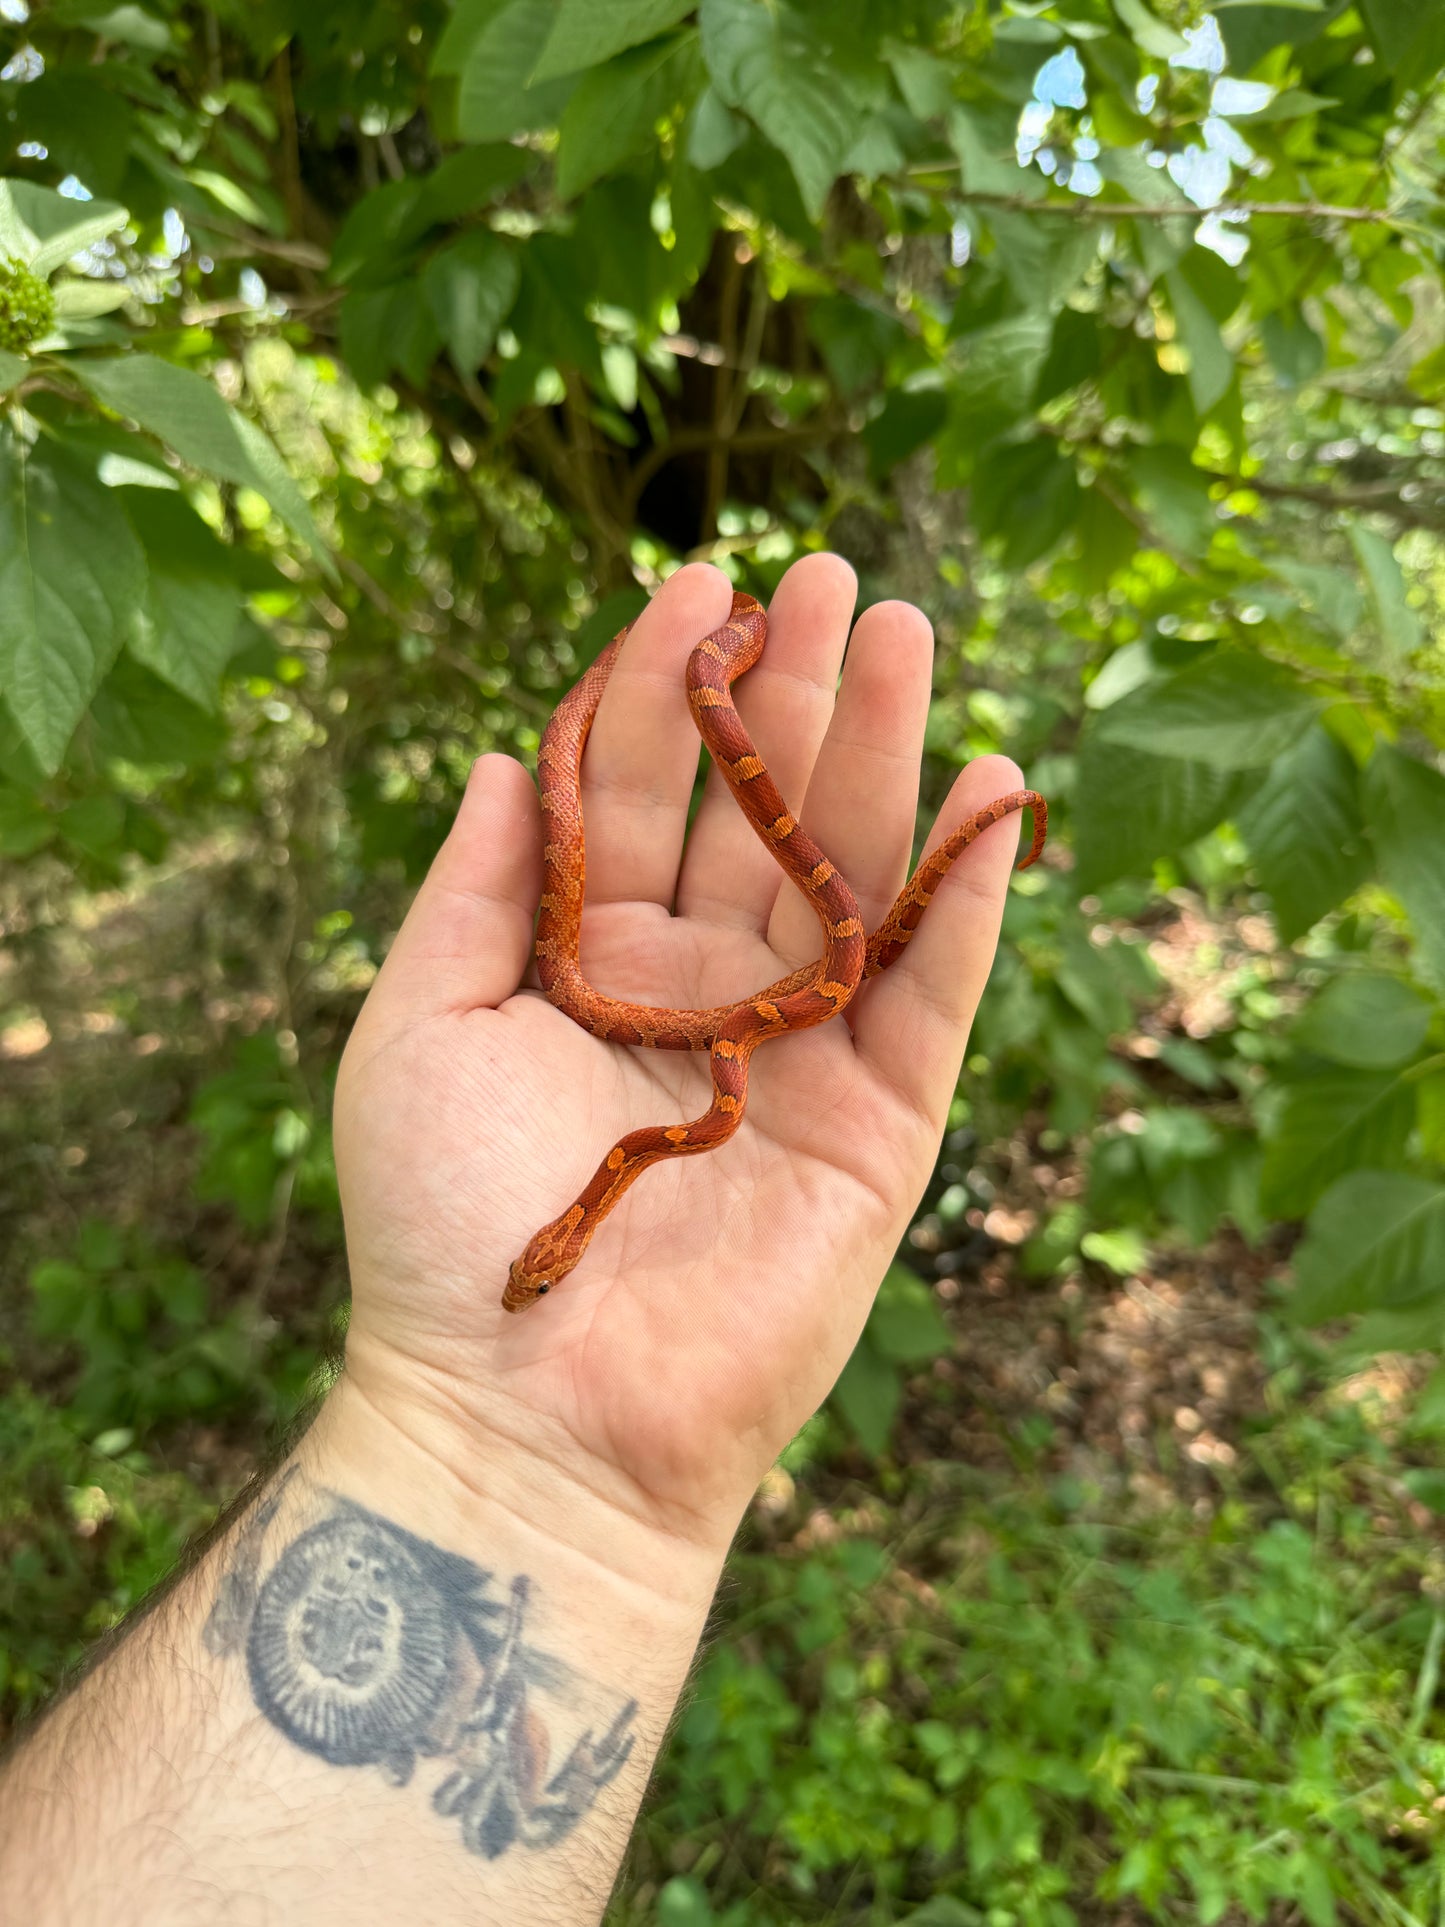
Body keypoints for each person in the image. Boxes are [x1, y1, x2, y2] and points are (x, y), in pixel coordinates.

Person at [0, 555, 1027, 1922]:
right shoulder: (683, 1118)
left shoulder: (688, 1119)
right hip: (693, 1068)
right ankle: (718, 666)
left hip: (715, 1042)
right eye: (543, 1269)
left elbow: (733, 1064)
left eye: (542, 1266)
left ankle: (723, 660)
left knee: (824, 944)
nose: (535, 1276)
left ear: (562, 1237)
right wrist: (489, 1444)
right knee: (794, 949)